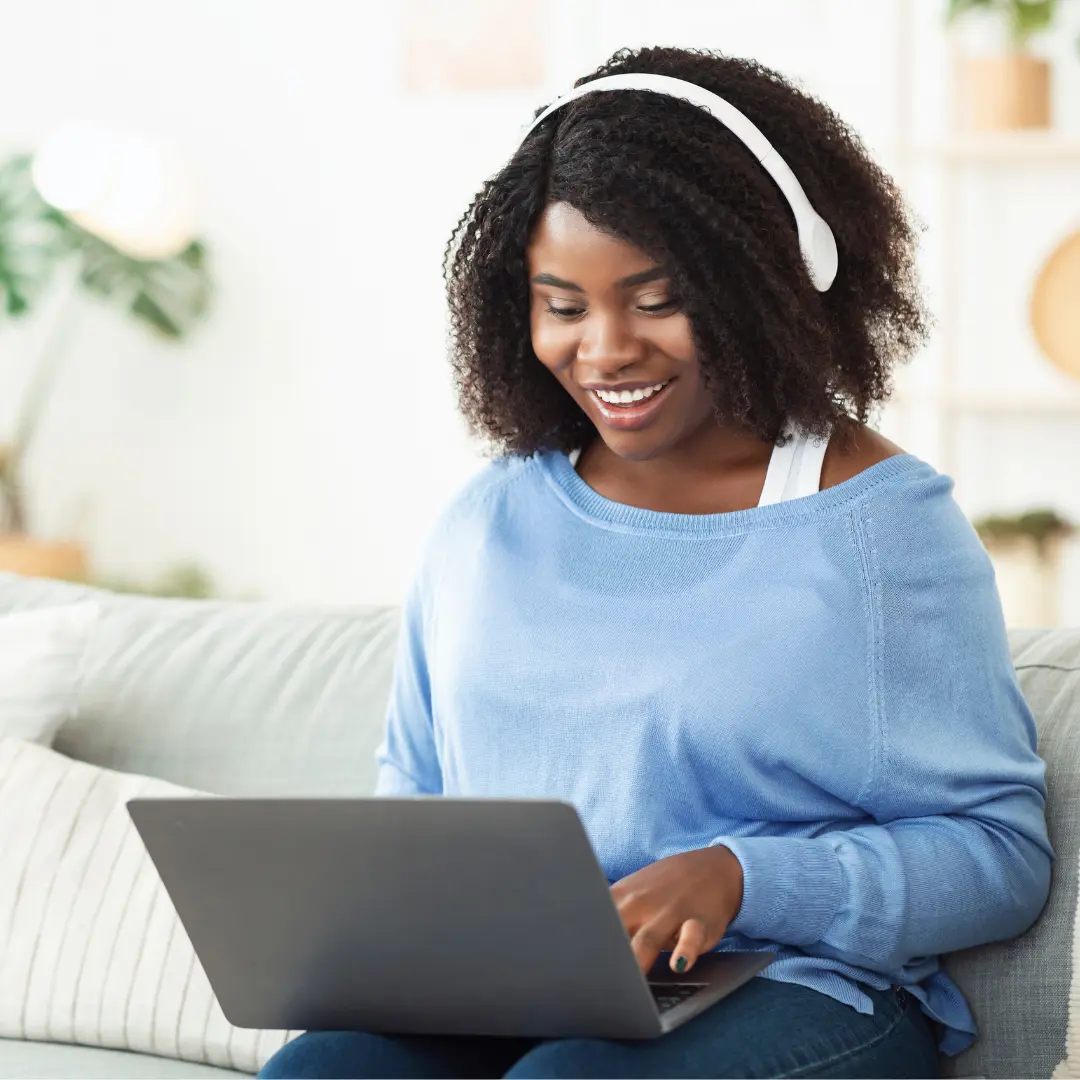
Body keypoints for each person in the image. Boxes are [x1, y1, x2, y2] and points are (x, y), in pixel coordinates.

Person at [258, 45, 1052, 1080]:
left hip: (790, 986)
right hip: (518, 990)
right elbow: (415, 784)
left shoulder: (877, 529)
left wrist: (740, 878)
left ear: (763, 281)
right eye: (566, 305)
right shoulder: (488, 522)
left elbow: (998, 854)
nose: (607, 349)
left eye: (656, 299)